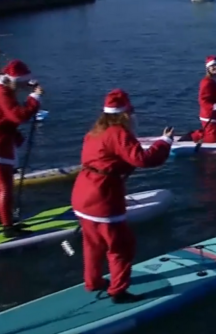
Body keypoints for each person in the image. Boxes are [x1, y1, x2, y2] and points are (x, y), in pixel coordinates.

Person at [71, 88, 173, 303]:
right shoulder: (118, 133)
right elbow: (143, 159)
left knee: (92, 243)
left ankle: (93, 282)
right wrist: (164, 142)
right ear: (124, 113)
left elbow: (109, 159)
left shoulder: (94, 132)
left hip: (82, 194)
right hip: (102, 198)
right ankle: (118, 292)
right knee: (121, 246)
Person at [0, 59, 42, 237]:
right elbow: (18, 116)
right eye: (19, 83)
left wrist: (29, 88)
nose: (20, 87)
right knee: (6, 185)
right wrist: (34, 98)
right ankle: (8, 227)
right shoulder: (2, 95)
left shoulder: (1, 89)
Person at [179, 56, 216, 143]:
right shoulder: (206, 82)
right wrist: (213, 106)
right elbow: (202, 100)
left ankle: (201, 133)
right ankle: (192, 135)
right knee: (212, 139)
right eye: (213, 66)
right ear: (208, 68)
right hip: (209, 114)